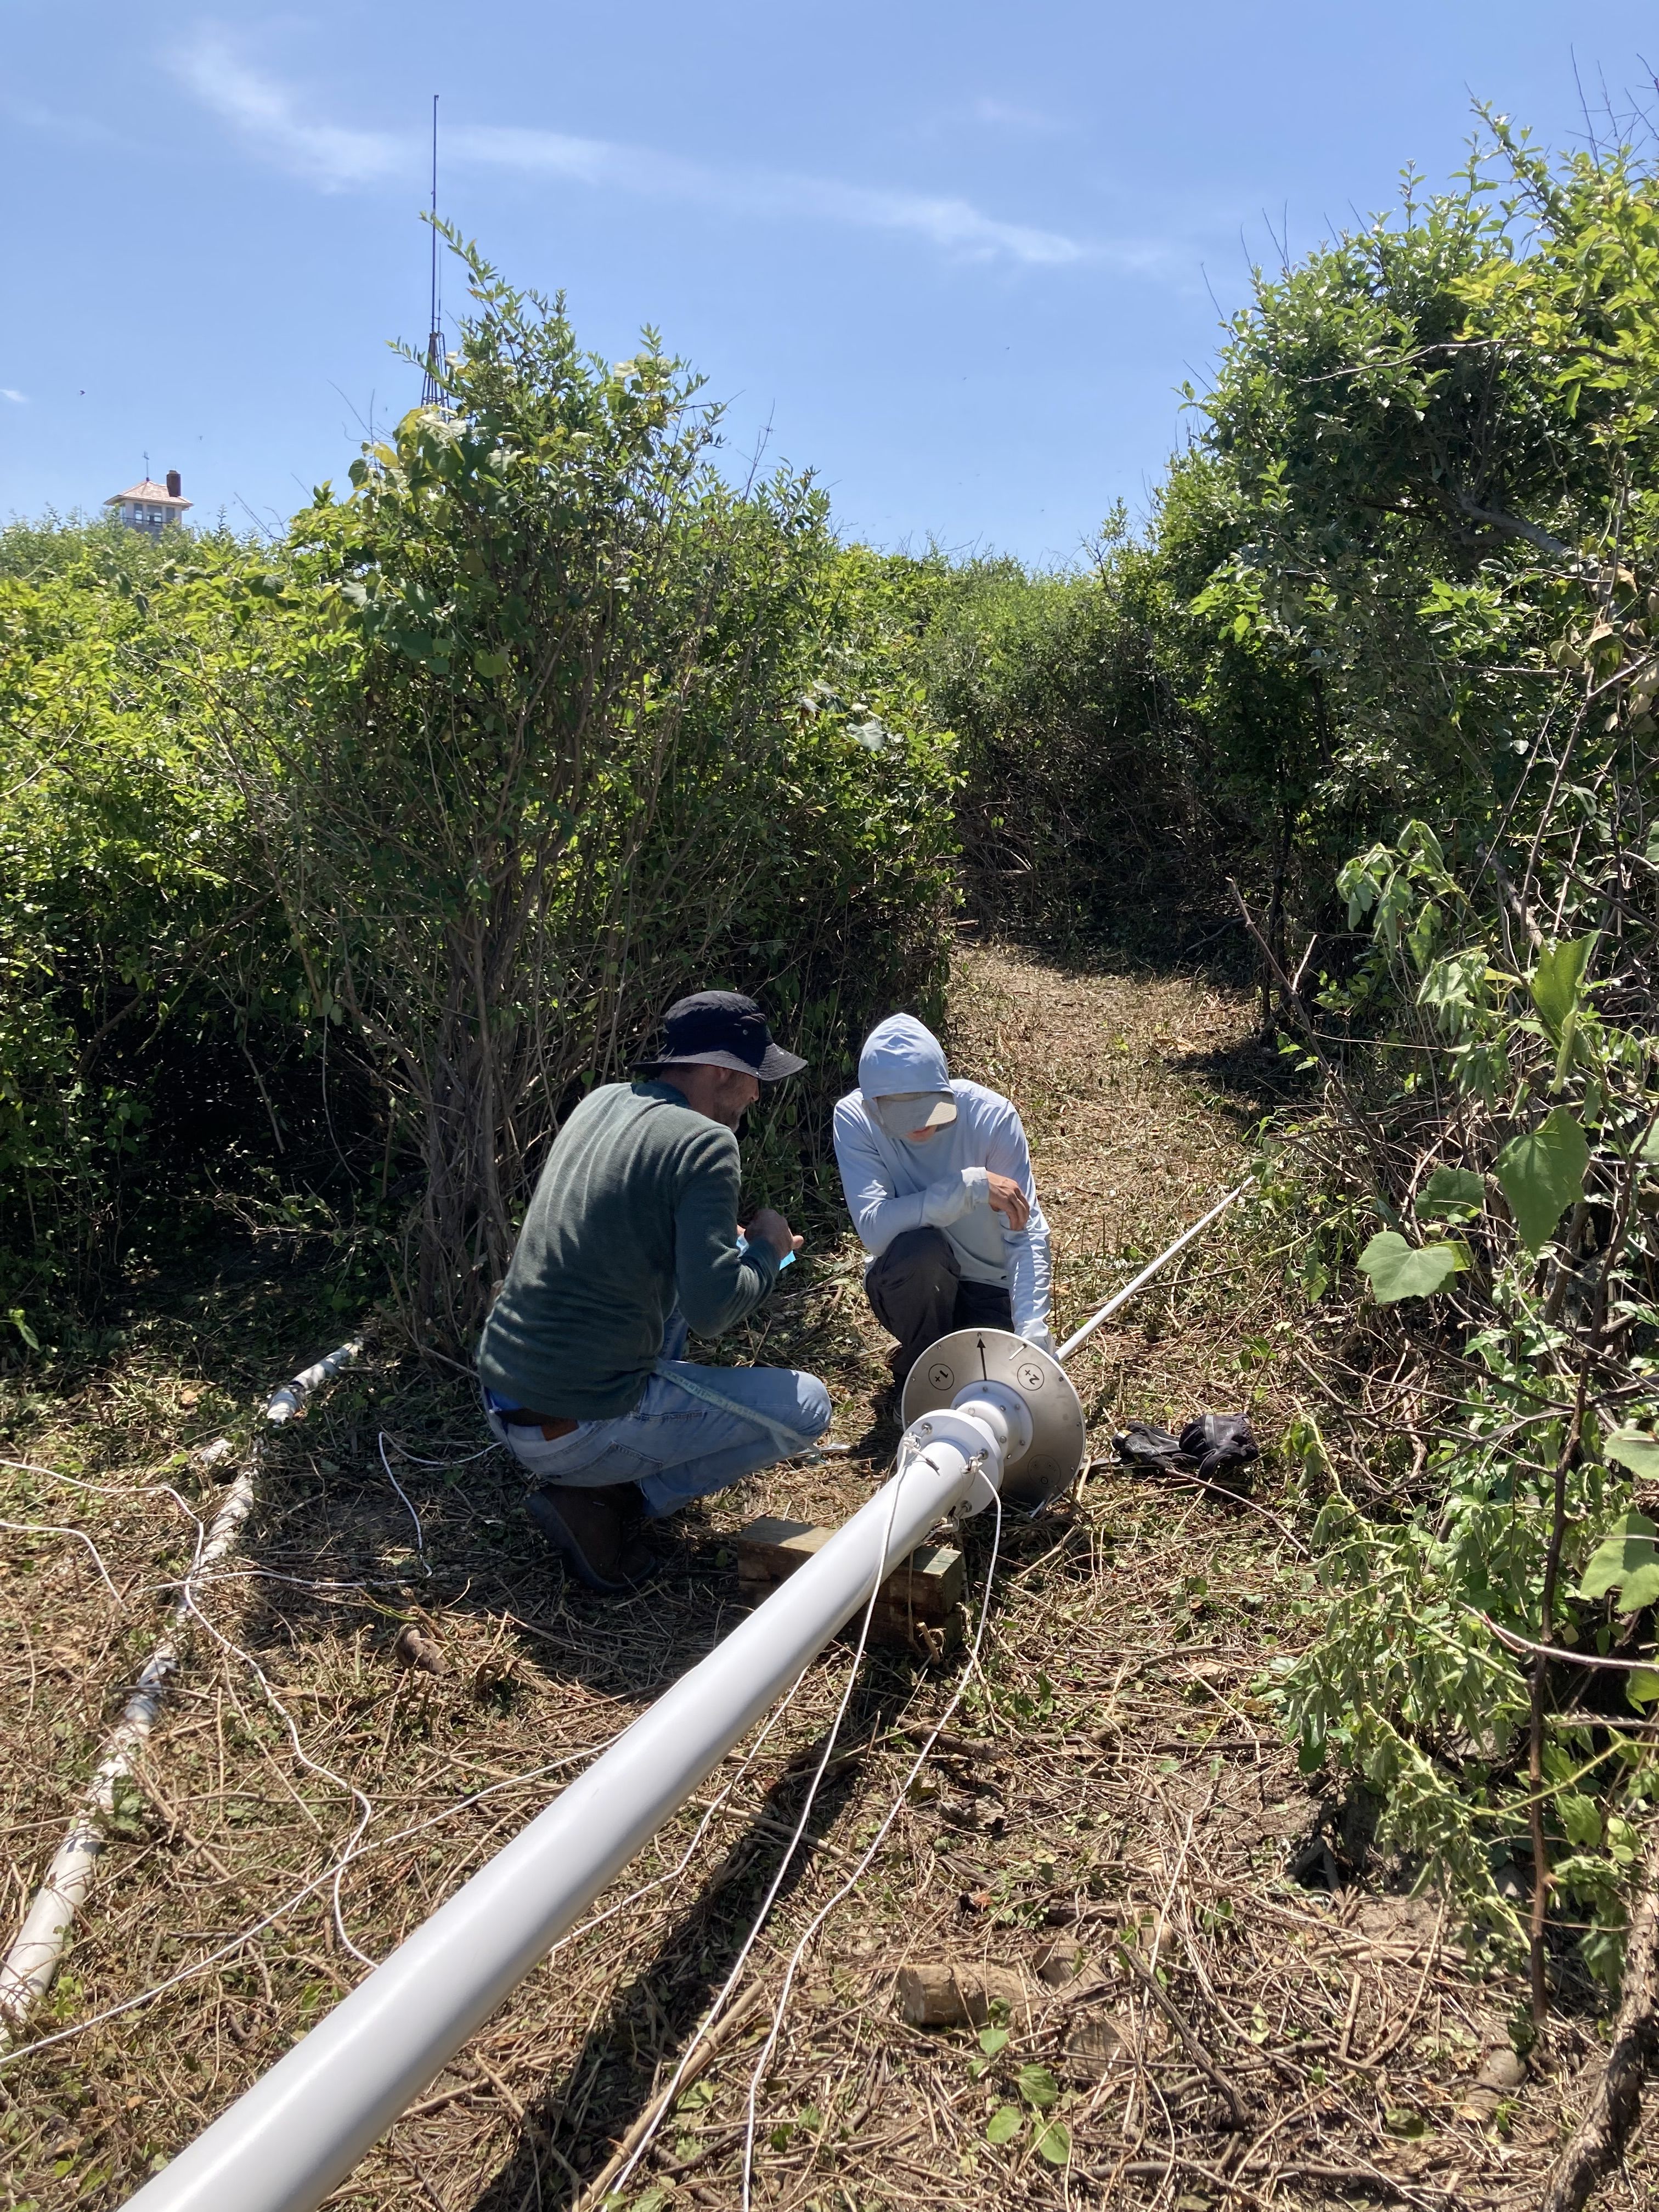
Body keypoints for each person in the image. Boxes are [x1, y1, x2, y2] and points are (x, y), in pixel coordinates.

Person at [478, 991, 832, 1592]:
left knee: (671, 1283)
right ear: (722, 1071)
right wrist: (770, 1249)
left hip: (504, 1397)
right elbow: (715, 1310)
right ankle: (614, 1502)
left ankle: (601, 1477)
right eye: (753, 1078)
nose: (756, 1093)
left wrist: (724, 1243)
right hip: (576, 1424)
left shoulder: (603, 1101)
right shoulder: (707, 1143)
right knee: (808, 1407)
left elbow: (628, 1226)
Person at [833, 1012, 1054, 1403]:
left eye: (928, 1106)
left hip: (991, 1286)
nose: (920, 1125)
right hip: (914, 1282)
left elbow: (1026, 1232)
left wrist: (1032, 1327)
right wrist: (968, 1188)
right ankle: (922, 1372)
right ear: (873, 1107)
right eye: (902, 1114)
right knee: (920, 1251)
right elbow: (873, 1228)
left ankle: (943, 1360)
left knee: (993, 1387)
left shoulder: (991, 1117)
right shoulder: (854, 1119)